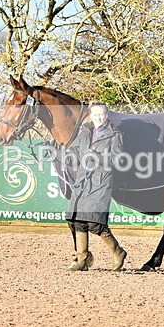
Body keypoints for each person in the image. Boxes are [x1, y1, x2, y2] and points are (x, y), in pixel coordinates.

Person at [64, 102, 127, 271]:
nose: (98, 117)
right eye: (95, 114)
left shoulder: (114, 134)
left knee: (95, 222)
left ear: (106, 115)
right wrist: (63, 154)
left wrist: (98, 158)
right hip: (83, 180)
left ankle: (118, 252)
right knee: (77, 220)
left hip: (101, 181)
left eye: (101, 114)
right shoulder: (85, 131)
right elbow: (76, 151)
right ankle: (82, 258)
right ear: (90, 116)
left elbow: (119, 160)